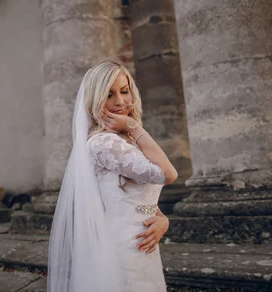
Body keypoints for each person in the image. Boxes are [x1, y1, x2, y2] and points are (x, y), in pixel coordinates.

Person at [48, 58, 178, 292]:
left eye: (124, 91)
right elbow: (169, 174)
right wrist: (134, 126)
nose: (120, 101)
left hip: (142, 244)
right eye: (109, 95)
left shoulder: (124, 141)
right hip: (123, 251)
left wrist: (163, 220)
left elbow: (138, 199)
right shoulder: (103, 144)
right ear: (95, 101)